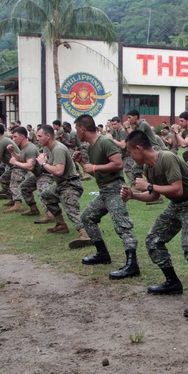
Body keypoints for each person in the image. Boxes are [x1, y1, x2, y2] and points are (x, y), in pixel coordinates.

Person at [122, 129, 188, 313]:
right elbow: (154, 196)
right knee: (153, 240)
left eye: (130, 151)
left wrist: (149, 185)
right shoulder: (148, 167)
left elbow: (176, 189)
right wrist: (134, 196)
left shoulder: (166, 157)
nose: (129, 156)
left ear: (138, 148)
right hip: (176, 205)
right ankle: (172, 282)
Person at [75, 114, 140, 278]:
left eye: (77, 129)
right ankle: (102, 254)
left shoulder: (104, 142)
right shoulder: (91, 146)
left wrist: (95, 167)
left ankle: (132, 265)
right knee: (87, 217)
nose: (76, 132)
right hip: (104, 190)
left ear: (82, 129)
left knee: (121, 225)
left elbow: (118, 164)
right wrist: (82, 163)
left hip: (115, 189)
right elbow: (92, 170)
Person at [30, 124, 88, 241]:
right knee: (46, 196)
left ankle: (85, 234)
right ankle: (61, 225)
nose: (37, 139)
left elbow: (59, 171)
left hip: (71, 184)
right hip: (61, 184)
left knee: (71, 208)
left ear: (48, 136)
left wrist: (43, 163)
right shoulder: (48, 148)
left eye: (40, 136)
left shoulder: (58, 149)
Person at [3, 127, 39, 214]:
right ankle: (33, 209)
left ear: (22, 136)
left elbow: (29, 166)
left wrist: (15, 162)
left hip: (44, 175)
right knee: (24, 187)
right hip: (37, 174)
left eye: (15, 137)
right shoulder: (24, 147)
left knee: (45, 195)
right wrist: (12, 152)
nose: (13, 139)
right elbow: (20, 158)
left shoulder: (29, 148)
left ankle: (51, 216)